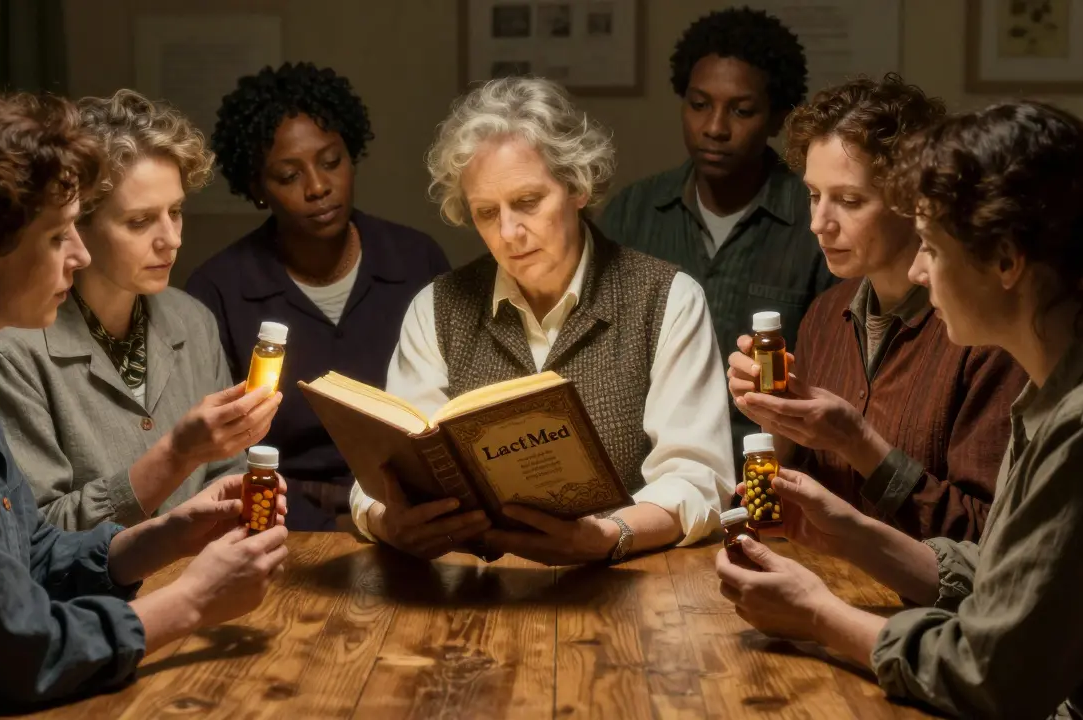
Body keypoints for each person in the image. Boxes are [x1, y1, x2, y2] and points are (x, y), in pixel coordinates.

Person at [0, 91, 288, 715]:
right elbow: (19, 654)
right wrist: (191, 601)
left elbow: (32, 554)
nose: (79, 255)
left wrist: (171, 534)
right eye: (58, 236)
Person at [716, 101, 1083, 719]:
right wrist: (849, 532)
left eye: (930, 246)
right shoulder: (1056, 387)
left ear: (1007, 262)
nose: (915, 268)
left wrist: (820, 616)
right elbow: (998, 573)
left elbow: (990, 676)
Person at [349, 77, 733, 565]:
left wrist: (607, 535)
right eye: (487, 213)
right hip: (471, 588)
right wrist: (390, 523)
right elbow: (384, 476)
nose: (509, 233)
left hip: (627, 587)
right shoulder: (437, 307)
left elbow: (699, 480)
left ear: (576, 186)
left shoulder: (667, 299)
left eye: (528, 202)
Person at [726, 75, 1027, 542]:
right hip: (826, 586)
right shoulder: (826, 315)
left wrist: (858, 443)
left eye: (849, 200)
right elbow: (802, 501)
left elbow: (983, 539)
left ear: (913, 202)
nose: (818, 224)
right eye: (813, 195)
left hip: (930, 610)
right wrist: (778, 421)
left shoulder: (982, 334)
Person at [0, 89, 280, 531]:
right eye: (139, 221)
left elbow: (227, 471)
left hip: (203, 580)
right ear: (75, 223)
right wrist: (174, 457)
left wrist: (245, 497)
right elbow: (38, 533)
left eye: (175, 212)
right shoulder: (12, 348)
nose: (171, 239)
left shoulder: (192, 320)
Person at [187, 62, 450, 533]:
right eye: (288, 175)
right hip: (278, 519)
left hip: (410, 514)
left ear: (352, 155)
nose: (318, 187)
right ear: (256, 189)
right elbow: (221, 455)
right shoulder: (219, 290)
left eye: (331, 162)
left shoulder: (415, 261)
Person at [598, 7, 835, 469]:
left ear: (776, 119)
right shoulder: (634, 212)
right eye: (699, 104)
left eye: (741, 110)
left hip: (770, 472)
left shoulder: (813, 220)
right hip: (648, 471)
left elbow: (835, 381)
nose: (714, 128)